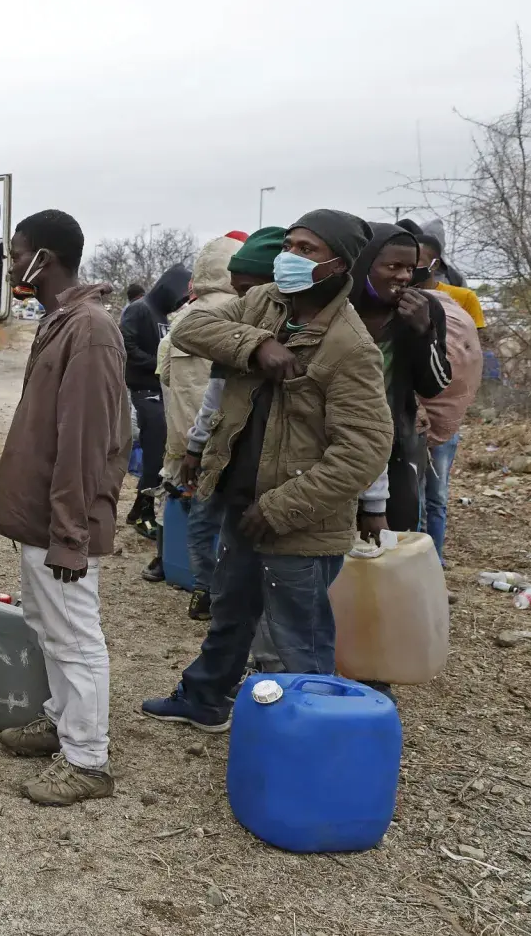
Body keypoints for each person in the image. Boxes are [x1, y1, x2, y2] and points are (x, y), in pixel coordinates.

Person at [141, 210, 391, 733]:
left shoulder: (350, 347)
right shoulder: (264, 303)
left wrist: (280, 508)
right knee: (231, 612)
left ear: (337, 265)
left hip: (295, 524)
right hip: (240, 501)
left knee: (299, 640)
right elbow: (192, 327)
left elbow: (365, 449)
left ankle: (307, 741)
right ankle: (206, 699)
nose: (290, 257)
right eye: (290, 244)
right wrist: (255, 344)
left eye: (307, 250)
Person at [0, 210, 127, 806]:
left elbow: (85, 441)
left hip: (64, 520)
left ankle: (88, 760)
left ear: (45, 257)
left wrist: (71, 533)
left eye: (18, 254)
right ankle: (63, 722)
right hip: (45, 516)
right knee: (48, 624)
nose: (13, 265)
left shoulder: (89, 329)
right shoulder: (61, 322)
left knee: (74, 634)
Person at [172, 227, 281, 621]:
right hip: (221, 456)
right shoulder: (229, 329)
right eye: (238, 290)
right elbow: (212, 398)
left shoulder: (309, 340)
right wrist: (195, 448)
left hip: (265, 469)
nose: (244, 299)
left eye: (251, 288)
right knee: (204, 523)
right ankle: (208, 591)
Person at [149, 237, 243, 585]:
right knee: (221, 517)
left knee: (174, 498)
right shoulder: (243, 313)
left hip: (180, 438)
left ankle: (167, 564)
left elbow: (166, 376)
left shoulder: (181, 319)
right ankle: (215, 585)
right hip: (223, 439)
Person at [349, 224, 451, 538]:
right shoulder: (338, 308)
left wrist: (424, 333)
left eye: (410, 268)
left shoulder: (425, 309)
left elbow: (434, 384)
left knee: (391, 541)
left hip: (396, 449)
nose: (403, 277)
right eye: (392, 266)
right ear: (364, 263)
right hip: (333, 446)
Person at [414, 240, 482, 562]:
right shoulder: (396, 303)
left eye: (418, 260)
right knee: (408, 497)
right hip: (408, 419)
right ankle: (412, 562)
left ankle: (435, 563)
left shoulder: (459, 299)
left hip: (444, 420)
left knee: (436, 498)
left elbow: (468, 353)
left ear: (434, 263)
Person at [121, 263, 192, 541]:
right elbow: (126, 344)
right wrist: (158, 365)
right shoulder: (140, 309)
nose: (180, 303)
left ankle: (141, 508)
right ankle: (142, 514)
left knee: (160, 455)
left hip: (158, 392)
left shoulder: (163, 315)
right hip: (142, 392)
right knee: (153, 456)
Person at [415, 220, 486, 327]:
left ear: (435, 264)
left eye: (417, 259)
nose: (410, 265)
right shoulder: (394, 297)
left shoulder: (465, 296)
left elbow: (478, 338)